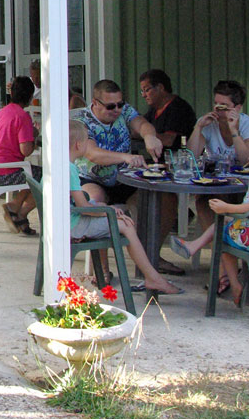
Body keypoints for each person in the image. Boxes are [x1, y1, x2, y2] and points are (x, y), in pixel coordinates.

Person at [169, 133, 249, 306]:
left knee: (221, 233)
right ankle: (193, 246)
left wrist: (226, 208)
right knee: (225, 224)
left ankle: (234, 284)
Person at [65, 121, 184, 295]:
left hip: (68, 221)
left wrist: (101, 206)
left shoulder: (60, 165)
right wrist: (108, 212)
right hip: (75, 226)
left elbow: (78, 203)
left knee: (118, 215)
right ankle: (153, 278)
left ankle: (152, 277)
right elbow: (82, 207)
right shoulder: (71, 169)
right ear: (78, 145)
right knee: (126, 225)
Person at [76, 79, 182, 275]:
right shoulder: (83, 120)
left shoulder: (123, 111)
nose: (116, 110)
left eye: (120, 104)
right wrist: (125, 156)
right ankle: (101, 269)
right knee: (95, 201)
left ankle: (152, 255)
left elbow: (142, 123)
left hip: (125, 178)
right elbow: (92, 154)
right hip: (93, 178)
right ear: (96, 103)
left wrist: (149, 136)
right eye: (110, 106)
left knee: (167, 198)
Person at [186, 80, 249, 242]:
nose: (217, 109)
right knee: (204, 201)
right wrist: (198, 128)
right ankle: (220, 255)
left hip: (245, 187)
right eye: (216, 104)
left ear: (237, 108)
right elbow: (191, 156)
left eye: (223, 106)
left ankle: (228, 253)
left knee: (221, 201)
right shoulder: (208, 123)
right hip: (218, 184)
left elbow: (247, 161)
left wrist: (234, 131)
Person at [0, 75, 40, 236]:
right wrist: (34, 135)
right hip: (4, 173)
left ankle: (16, 208)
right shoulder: (22, 116)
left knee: (33, 174)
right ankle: (19, 211)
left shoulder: (3, 112)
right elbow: (26, 151)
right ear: (30, 97)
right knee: (47, 177)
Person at [138, 69, 196, 150]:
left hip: (179, 159)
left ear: (160, 87)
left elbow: (168, 140)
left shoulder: (179, 108)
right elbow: (140, 124)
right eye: (142, 91)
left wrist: (146, 134)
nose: (143, 95)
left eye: (147, 90)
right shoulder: (154, 109)